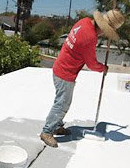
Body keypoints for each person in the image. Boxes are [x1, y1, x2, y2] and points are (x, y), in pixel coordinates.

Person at [40, 9, 125, 148]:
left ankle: (57, 126)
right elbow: (91, 64)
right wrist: (103, 68)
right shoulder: (90, 37)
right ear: (104, 29)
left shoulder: (84, 21)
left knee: (62, 101)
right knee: (62, 104)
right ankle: (47, 132)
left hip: (60, 67)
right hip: (65, 73)